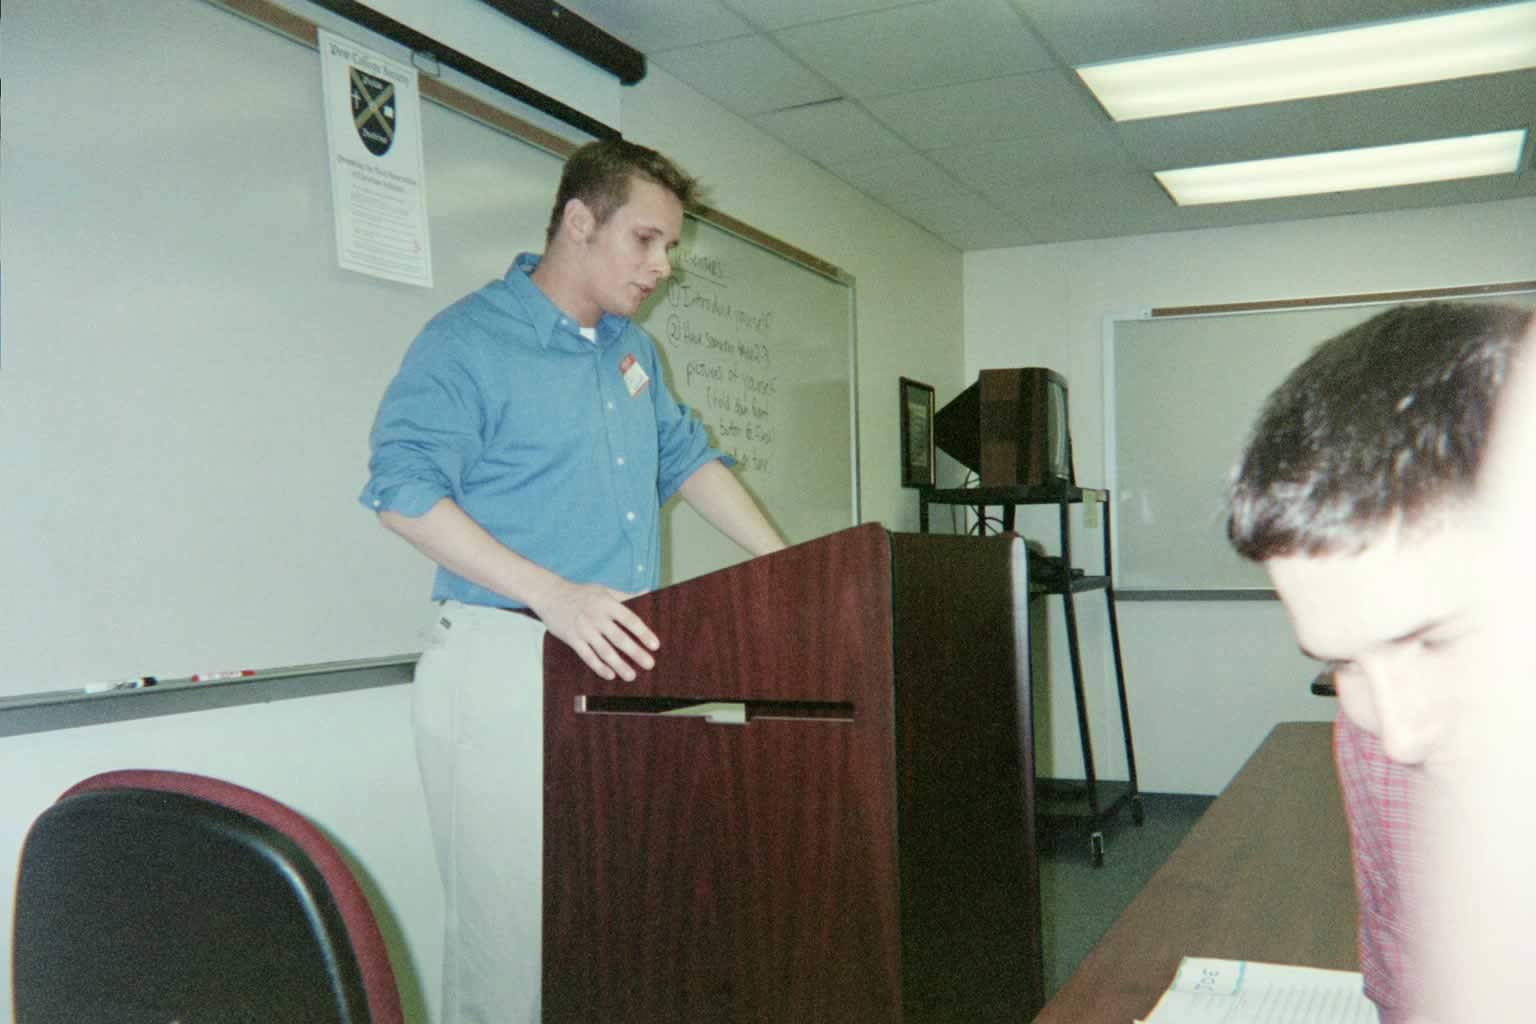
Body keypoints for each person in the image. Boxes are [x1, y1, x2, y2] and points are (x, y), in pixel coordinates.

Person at [359, 138, 786, 1023]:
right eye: (647, 240)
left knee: (618, 925)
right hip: (504, 663)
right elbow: (401, 494)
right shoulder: (470, 340)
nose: (664, 267)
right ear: (579, 223)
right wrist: (550, 594)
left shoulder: (630, 356)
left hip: (617, 665)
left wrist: (787, 566)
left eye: (670, 245)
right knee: (511, 950)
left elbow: (689, 460)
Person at [1224, 301, 1534, 1024]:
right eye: (1345, 665)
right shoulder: (1373, 734)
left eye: (1441, 639)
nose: (1400, 737)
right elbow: (1406, 988)